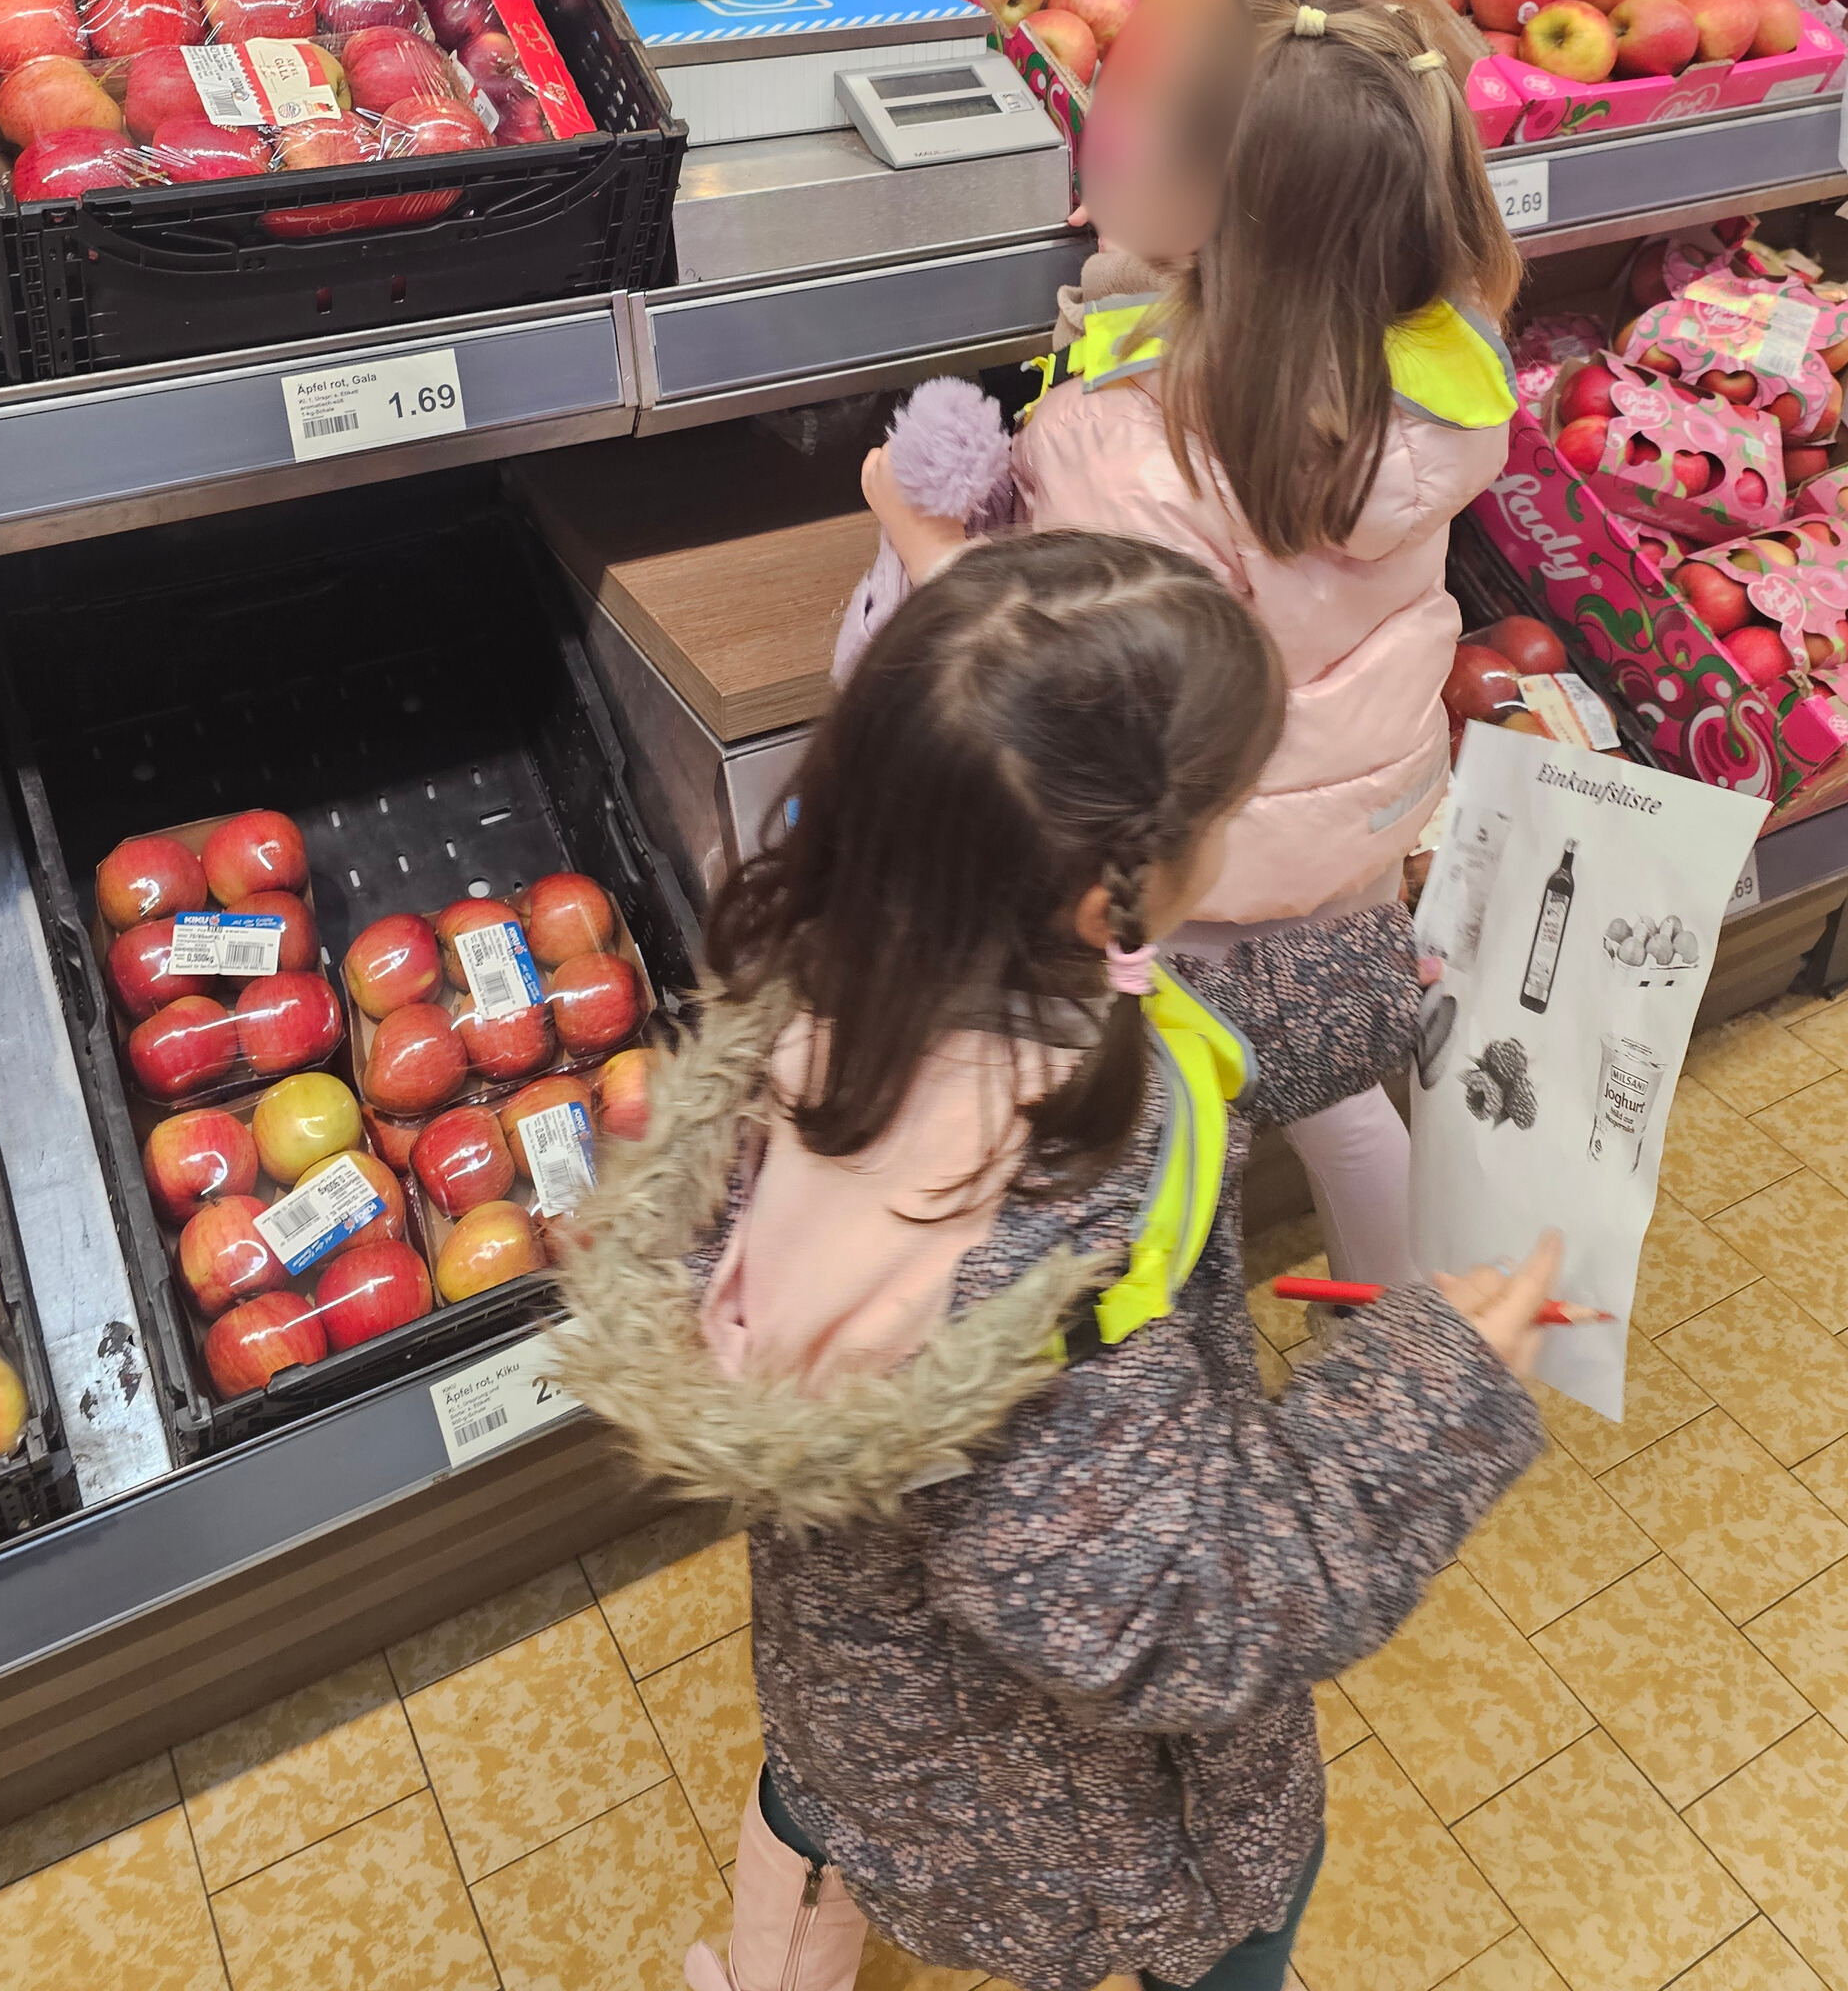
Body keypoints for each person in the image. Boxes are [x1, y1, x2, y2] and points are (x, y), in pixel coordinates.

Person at [546, 532, 1555, 1991]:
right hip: (1085, 1821)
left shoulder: (859, 992)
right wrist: (1429, 1388)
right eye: (1230, 810)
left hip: (867, 1687)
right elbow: (1181, 1602)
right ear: (1110, 897)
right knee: (1244, 1912)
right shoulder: (1048, 1253)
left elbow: (1162, 1027)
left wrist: (1376, 979)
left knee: (819, 1811)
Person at [865, 0, 1520, 1286]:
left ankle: (1193, 1333)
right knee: (1337, 1097)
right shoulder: (1431, 377)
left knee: (1169, 1116)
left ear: (1214, 202)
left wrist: (920, 537)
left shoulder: (1122, 446)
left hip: (1199, 871)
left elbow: (1069, 682)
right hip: (1345, 838)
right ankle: (1406, 1315)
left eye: (1144, 120)